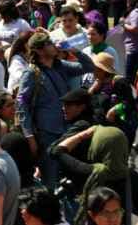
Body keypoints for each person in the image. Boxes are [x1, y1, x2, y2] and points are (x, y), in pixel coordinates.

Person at [16, 30, 94, 191]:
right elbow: (21, 104)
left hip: (67, 130)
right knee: (50, 181)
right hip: (47, 134)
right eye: (49, 43)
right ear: (38, 50)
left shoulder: (61, 66)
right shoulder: (31, 73)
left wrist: (74, 50)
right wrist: (29, 135)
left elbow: (88, 66)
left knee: (70, 179)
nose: (53, 46)